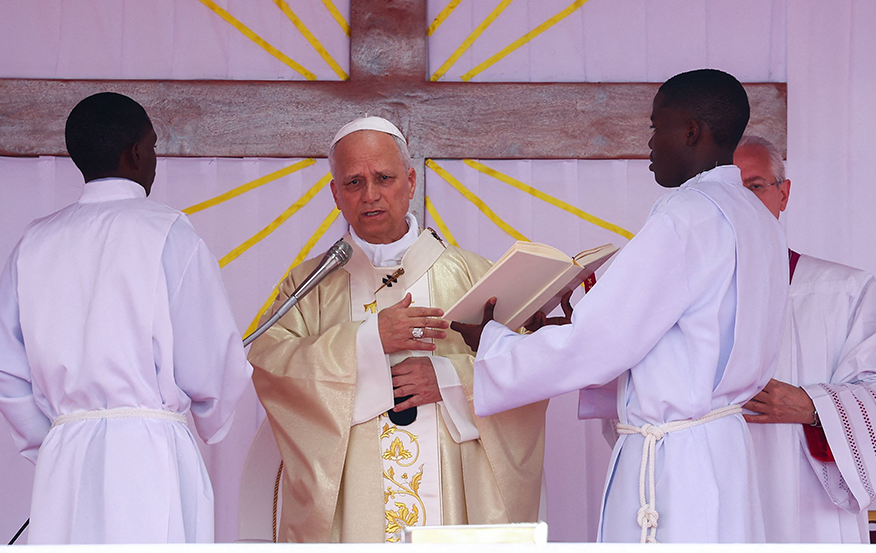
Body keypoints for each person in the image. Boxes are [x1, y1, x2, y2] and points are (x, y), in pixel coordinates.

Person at [455, 69, 789, 543]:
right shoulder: (758, 217)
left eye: (657, 126)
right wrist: (582, 325)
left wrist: (493, 342)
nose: (650, 143)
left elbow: (599, 344)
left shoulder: (686, 216)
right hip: (724, 451)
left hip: (675, 463)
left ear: (691, 131)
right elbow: (691, 335)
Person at [246, 116, 547, 543]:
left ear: (410, 181)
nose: (370, 195)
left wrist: (448, 380)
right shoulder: (307, 285)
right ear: (335, 193)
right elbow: (268, 363)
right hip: (354, 513)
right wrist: (368, 342)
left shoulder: (474, 276)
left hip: (453, 509)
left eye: (384, 178)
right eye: (353, 182)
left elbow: (527, 377)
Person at [0, 92, 251, 544]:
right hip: (151, 452)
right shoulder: (167, 231)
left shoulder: (35, 242)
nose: (155, 159)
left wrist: (53, 438)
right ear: (135, 153)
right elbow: (212, 360)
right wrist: (211, 417)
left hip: (65, 460)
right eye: (154, 147)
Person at [736, 135, 876, 543]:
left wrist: (816, 406)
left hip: (811, 503)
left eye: (756, 186)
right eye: (728, 191)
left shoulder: (846, 289)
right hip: (712, 487)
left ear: (784, 194)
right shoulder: (680, 294)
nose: (742, 201)